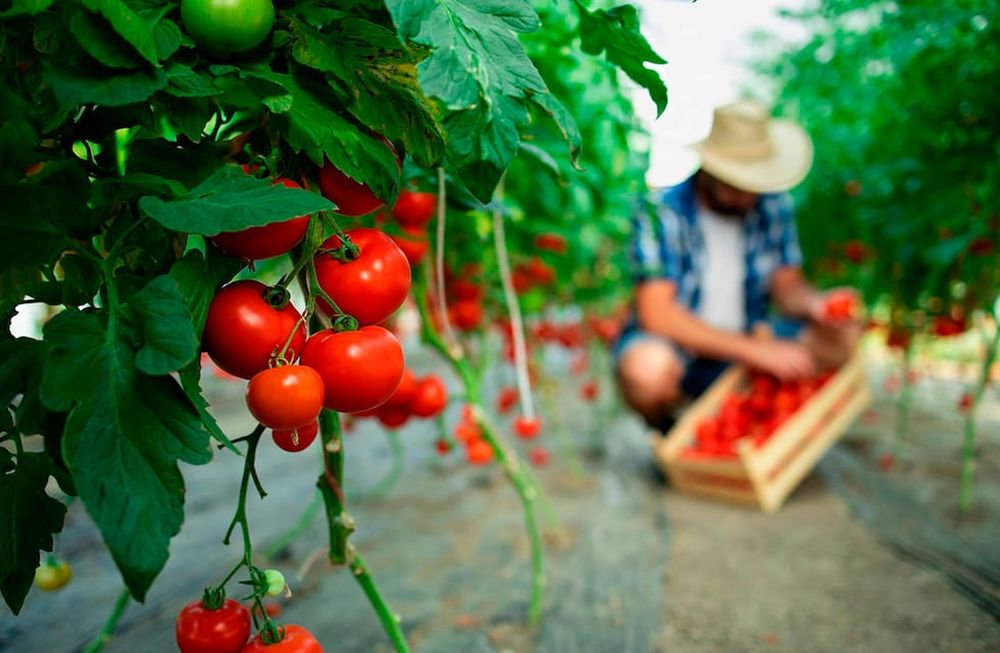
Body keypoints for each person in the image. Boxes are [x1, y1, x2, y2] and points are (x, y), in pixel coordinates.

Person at [615, 100, 861, 432]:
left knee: (845, 336)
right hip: (684, 353)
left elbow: (787, 286)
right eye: (737, 184)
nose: (748, 197)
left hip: (749, 341)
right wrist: (756, 351)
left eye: (754, 185)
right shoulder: (660, 212)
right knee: (646, 370)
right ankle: (672, 431)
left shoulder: (772, 206)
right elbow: (657, 314)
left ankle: (761, 420)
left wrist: (814, 304)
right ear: (710, 170)